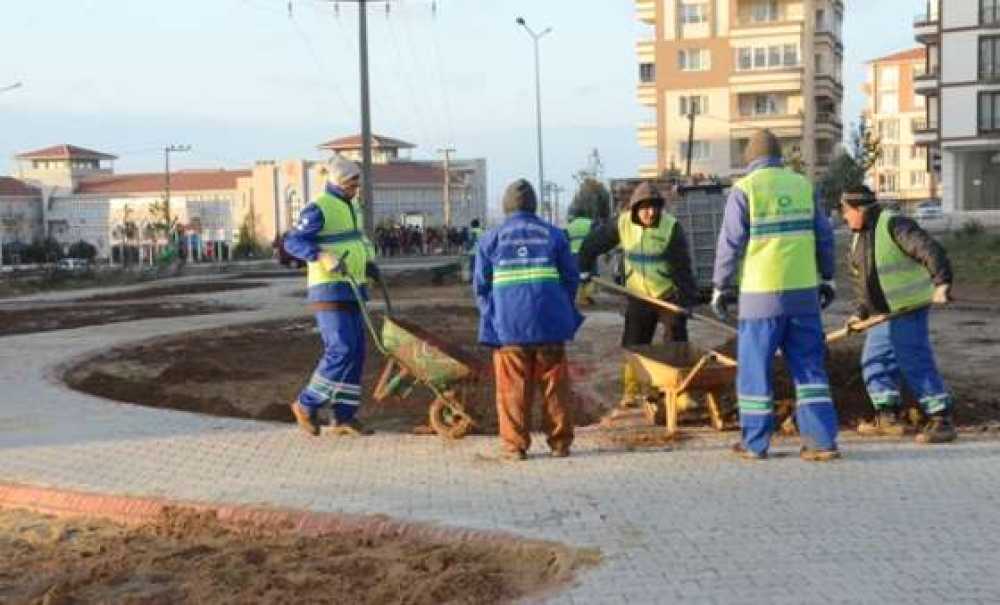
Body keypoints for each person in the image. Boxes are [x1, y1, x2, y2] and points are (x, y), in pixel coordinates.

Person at [711, 129, 840, 461]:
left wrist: (720, 286)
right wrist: (828, 277)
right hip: (803, 296)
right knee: (811, 370)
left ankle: (755, 444)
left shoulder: (745, 190)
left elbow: (730, 243)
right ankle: (821, 443)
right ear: (779, 156)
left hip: (760, 299)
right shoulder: (802, 186)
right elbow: (824, 237)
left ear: (749, 159)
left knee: (755, 370)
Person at [474, 179, 584, 460]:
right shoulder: (555, 235)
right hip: (550, 324)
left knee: (513, 388)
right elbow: (571, 279)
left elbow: (481, 288)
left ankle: (515, 447)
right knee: (555, 386)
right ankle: (560, 444)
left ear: (506, 206)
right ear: (534, 205)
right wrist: (561, 308)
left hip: (509, 327)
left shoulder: (490, 239)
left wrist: (494, 317)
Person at [840, 185, 957, 443]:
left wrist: (942, 283)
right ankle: (888, 417)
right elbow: (863, 285)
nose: (844, 217)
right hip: (882, 314)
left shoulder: (894, 225)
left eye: (846, 211)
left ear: (860, 209)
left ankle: (941, 419)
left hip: (908, 308)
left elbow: (930, 250)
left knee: (912, 357)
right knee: (875, 360)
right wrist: (859, 313)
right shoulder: (857, 239)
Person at [283, 155, 380, 437]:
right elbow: (292, 242)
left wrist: (368, 260)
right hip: (329, 288)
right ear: (338, 182)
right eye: (352, 182)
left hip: (354, 287)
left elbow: (356, 239)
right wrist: (321, 255)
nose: (356, 187)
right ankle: (305, 403)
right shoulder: (318, 208)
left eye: (357, 183)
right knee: (341, 349)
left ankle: (343, 417)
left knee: (357, 352)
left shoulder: (353, 207)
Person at [577, 182, 698, 408]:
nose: (651, 213)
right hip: (638, 294)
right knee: (634, 342)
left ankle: (680, 391)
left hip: (666, 293)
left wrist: (688, 301)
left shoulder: (671, 228)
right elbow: (593, 244)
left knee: (676, 339)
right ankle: (632, 392)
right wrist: (583, 267)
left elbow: (683, 268)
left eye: (655, 208)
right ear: (634, 209)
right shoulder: (622, 224)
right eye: (645, 208)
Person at [565, 209, 596, 305]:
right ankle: (586, 296)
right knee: (589, 274)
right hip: (588, 252)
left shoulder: (570, 226)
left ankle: (576, 297)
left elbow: (565, 240)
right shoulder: (590, 223)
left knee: (576, 275)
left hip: (573, 253)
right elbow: (597, 236)